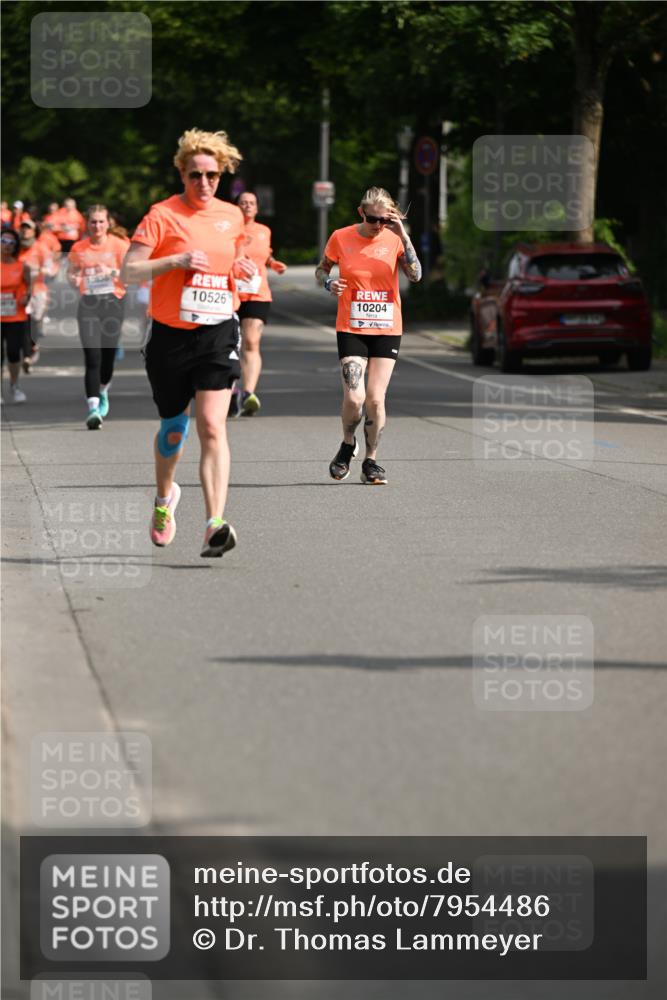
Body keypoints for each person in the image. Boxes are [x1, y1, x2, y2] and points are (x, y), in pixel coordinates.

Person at [121, 127, 256, 558]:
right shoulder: (162, 214)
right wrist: (175, 260)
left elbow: (232, 261)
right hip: (170, 335)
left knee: (213, 425)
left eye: (212, 175)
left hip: (217, 330)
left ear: (222, 176)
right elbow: (129, 271)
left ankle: (214, 522)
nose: (204, 183)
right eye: (196, 175)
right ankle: (164, 499)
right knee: (174, 430)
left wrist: (241, 269)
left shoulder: (231, 216)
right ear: (182, 173)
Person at [315, 186, 422, 485]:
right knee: (354, 396)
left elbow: (416, 275)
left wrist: (403, 235)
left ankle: (371, 461)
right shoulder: (341, 236)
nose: (378, 226)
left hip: (387, 328)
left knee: (375, 399)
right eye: (373, 219)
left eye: (384, 220)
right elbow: (321, 270)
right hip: (351, 326)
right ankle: (348, 443)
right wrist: (328, 284)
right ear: (362, 212)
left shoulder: (395, 238)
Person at [67, 205, 129, 429]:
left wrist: (110, 272)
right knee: (92, 357)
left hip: (113, 304)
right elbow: (72, 271)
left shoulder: (120, 245)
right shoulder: (79, 247)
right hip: (89, 305)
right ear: (87, 223)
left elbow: (132, 273)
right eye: (93, 221)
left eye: (101, 221)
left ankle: (103, 389)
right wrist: (73, 278)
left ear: (108, 223)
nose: (97, 226)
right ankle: (93, 408)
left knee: (108, 358)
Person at [229, 191, 287, 417]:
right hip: (231, 293)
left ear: (257, 208)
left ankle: (247, 393)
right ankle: (231, 391)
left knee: (251, 342)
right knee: (230, 344)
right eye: (243, 202)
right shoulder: (228, 229)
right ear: (237, 206)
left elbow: (265, 254)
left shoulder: (264, 231)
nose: (247, 206)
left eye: (251, 203)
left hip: (257, 293)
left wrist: (273, 264)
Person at [1, 229, 32, 403]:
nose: (7, 245)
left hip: (15, 317)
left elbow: (29, 287)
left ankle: (14, 385)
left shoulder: (22, 266)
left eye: (11, 242)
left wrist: (27, 296)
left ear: (16, 247)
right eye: (4, 240)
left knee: (13, 353)